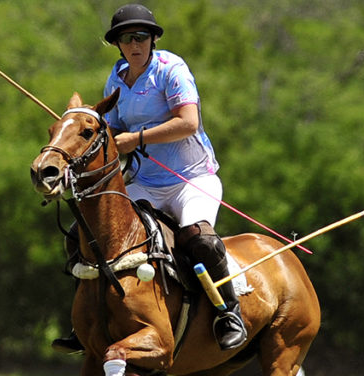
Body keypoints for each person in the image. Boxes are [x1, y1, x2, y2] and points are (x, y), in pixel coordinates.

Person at [53, 4, 246, 353]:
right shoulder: (117, 78)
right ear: (119, 44)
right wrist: (78, 129)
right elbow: (112, 131)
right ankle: (85, 322)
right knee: (84, 238)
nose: (134, 44)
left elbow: (188, 122)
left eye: (141, 36)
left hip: (191, 178)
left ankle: (227, 312)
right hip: (144, 181)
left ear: (153, 39)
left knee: (198, 240)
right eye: (126, 39)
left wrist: (136, 139)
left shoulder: (172, 69)